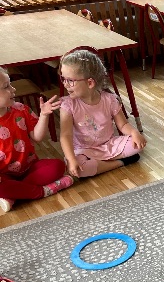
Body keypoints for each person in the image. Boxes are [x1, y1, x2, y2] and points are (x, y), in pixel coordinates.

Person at [59, 49, 146, 178]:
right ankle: (120, 162)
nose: (65, 84)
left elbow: (123, 125)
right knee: (78, 169)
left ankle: (99, 164)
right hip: (84, 150)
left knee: (137, 145)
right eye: (63, 79)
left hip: (109, 144)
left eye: (70, 80)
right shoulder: (67, 105)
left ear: (90, 83)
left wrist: (134, 133)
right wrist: (71, 160)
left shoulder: (110, 100)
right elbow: (65, 136)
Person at [0, 67, 73, 213]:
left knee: (58, 166)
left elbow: (37, 137)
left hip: (30, 168)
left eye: (10, 84)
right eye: (6, 86)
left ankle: (15, 194)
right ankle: (43, 191)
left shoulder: (21, 109)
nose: (13, 89)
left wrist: (44, 115)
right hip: (4, 176)